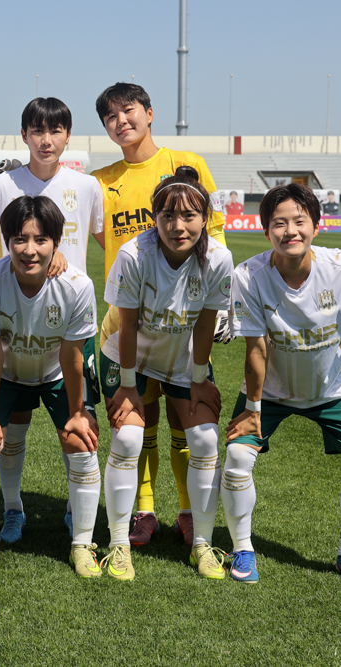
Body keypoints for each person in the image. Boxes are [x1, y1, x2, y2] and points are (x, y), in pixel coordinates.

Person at [223, 184, 341, 586]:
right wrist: (253, 409)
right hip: (270, 390)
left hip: (333, 388)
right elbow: (255, 348)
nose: (290, 231)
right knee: (238, 458)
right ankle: (242, 548)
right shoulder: (248, 275)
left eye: (299, 221)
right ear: (265, 231)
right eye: (279, 223)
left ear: (316, 226)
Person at [92, 82, 229, 548]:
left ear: (149, 113)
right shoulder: (100, 181)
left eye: (128, 111)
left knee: (186, 424)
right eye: (110, 117)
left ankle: (188, 512)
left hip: (184, 326)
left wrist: (221, 303)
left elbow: (214, 231)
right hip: (129, 324)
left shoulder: (185, 163)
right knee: (140, 423)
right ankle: (144, 511)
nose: (121, 122)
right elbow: (95, 238)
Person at [0, 97, 104, 544]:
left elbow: (109, 243)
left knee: (76, 427)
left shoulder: (86, 186)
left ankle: (75, 512)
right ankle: (13, 509)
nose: (46, 140)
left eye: (55, 131)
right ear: (24, 134)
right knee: (12, 428)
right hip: (13, 320)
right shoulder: (0, 186)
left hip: (69, 319)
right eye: (37, 130)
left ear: (68, 136)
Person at [100, 175, 234, 581]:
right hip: (129, 357)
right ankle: (119, 544)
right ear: (154, 218)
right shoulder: (134, 254)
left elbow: (207, 320)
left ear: (205, 218)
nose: (178, 226)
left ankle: (202, 545)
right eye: (168, 216)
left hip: (182, 357)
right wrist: (127, 385)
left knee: (206, 439)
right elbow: (127, 325)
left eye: (189, 216)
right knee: (129, 438)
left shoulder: (218, 259)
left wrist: (199, 377)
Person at [0, 196, 101, 578]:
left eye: (40, 240)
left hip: (57, 372)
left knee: (81, 440)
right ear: (7, 241)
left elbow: (72, 356)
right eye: (19, 239)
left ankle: (83, 543)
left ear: (56, 242)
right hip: (6, 372)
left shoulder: (77, 286)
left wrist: (78, 413)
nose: (29, 250)